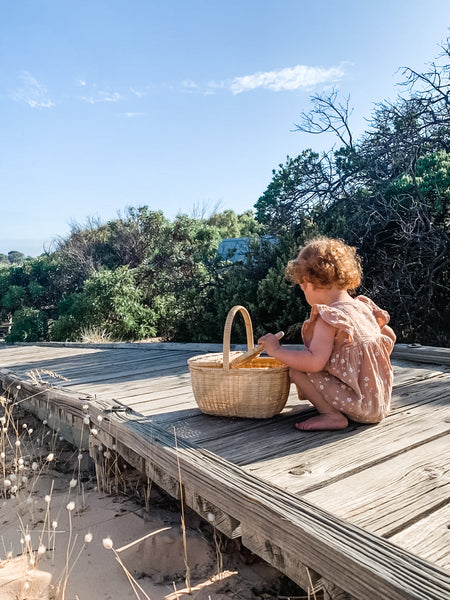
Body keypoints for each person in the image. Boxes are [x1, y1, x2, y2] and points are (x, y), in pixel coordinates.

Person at [258, 237, 396, 431]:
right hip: (379, 403)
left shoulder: (329, 317)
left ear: (308, 282)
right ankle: (350, 403)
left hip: (358, 407)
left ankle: (331, 415)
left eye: (302, 286)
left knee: (297, 369)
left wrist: (277, 350)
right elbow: (389, 337)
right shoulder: (363, 307)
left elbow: (313, 363)